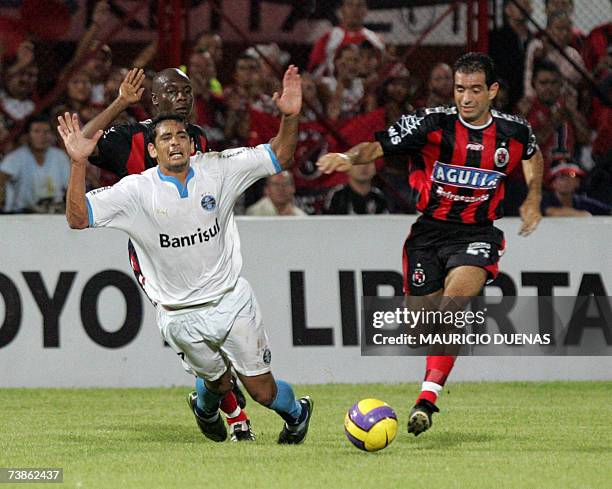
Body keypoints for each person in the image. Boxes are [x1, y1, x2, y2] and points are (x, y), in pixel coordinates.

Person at [58, 65, 314, 445]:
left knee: (261, 390)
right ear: (151, 146)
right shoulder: (134, 185)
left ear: (193, 144)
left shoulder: (216, 167)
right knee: (217, 381)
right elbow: (78, 214)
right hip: (175, 306)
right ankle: (215, 409)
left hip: (227, 299)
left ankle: (292, 412)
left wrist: (289, 116)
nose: (176, 141)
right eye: (166, 138)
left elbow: (279, 154)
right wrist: (80, 160)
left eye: (182, 136)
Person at [317, 53, 544, 436]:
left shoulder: (514, 132)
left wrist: (533, 197)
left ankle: (427, 399)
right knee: (424, 325)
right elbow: (376, 147)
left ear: (492, 91)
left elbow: (532, 157)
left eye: (475, 90)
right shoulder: (430, 124)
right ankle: (434, 363)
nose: (466, 98)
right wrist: (346, 156)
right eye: (460, 89)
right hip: (428, 234)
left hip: (477, 233)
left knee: (453, 309)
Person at [81, 68, 252, 437]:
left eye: (188, 92)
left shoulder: (197, 138)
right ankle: (236, 415)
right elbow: (80, 143)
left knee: (216, 341)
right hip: (157, 257)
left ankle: (208, 405)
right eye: (174, 92)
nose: (184, 98)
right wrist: (120, 103)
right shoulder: (130, 138)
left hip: (200, 248)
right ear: (154, 100)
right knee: (195, 333)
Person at [0, 115, 69, 213]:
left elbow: (69, 188)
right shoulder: (16, 157)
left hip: (54, 211)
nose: (42, 136)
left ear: (52, 135)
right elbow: (1, 179)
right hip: (22, 214)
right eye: (36, 131)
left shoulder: (60, 156)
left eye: (46, 132)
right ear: (28, 135)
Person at [308, 0, 384, 77]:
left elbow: (381, 71)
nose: (355, 9)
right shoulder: (327, 39)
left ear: (366, 11)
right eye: (350, 5)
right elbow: (314, 72)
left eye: (360, 5)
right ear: (341, 10)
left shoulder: (375, 40)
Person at [488, 0, 533, 109]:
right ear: (507, 10)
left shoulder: (534, 38)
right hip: (506, 95)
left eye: (527, 3)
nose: (524, 7)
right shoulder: (496, 38)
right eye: (519, 4)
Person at [542, 161, 611, 216]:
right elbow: (550, 211)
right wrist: (582, 215)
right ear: (553, 184)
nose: (567, 182)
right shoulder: (544, 200)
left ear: (577, 183)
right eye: (562, 178)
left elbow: (608, 210)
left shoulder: (581, 201)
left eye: (571, 178)